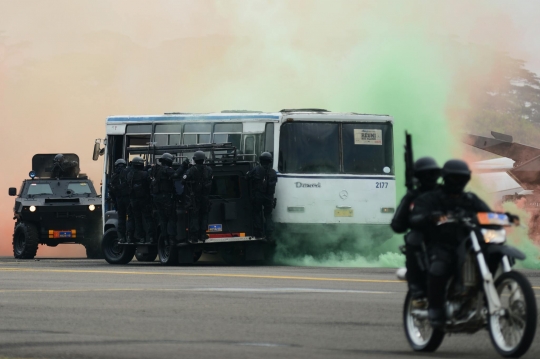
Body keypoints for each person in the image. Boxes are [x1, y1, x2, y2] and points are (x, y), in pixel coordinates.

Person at [409, 159, 491, 328]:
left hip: (468, 243)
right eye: (454, 178)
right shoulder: (430, 198)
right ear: (445, 178)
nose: (458, 182)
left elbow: (487, 215)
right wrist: (431, 217)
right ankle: (435, 310)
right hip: (441, 245)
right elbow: (415, 218)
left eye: (462, 178)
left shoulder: (470, 199)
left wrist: (505, 218)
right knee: (439, 266)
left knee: (494, 251)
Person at [391, 157, 440, 299]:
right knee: (414, 237)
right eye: (425, 175)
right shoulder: (413, 197)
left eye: (432, 174)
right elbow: (397, 225)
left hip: (448, 239)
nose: (429, 178)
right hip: (428, 244)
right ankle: (417, 288)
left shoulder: (447, 194)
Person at [152, 153, 189, 246]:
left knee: (163, 219)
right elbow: (176, 175)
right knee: (171, 218)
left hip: (157, 198)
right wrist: (183, 165)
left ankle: (165, 239)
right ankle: (172, 239)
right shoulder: (166, 170)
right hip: (166, 198)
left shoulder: (155, 170)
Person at [183, 151, 213, 243]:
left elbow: (184, 179)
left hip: (195, 197)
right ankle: (203, 235)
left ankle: (194, 237)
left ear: (195, 159)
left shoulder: (192, 170)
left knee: (194, 217)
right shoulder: (209, 169)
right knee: (204, 215)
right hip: (205, 197)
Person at [246, 152, 278, 239]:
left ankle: (258, 233)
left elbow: (247, 177)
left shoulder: (256, 169)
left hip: (258, 196)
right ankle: (269, 234)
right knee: (268, 215)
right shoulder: (273, 173)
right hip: (269, 198)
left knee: (257, 213)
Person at [127, 156, 154, 244]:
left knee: (137, 220)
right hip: (144, 200)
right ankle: (151, 237)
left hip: (133, 201)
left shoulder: (129, 175)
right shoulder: (145, 174)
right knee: (148, 218)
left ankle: (141, 238)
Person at [108, 159, 131, 243]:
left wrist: (115, 202)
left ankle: (121, 237)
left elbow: (111, 191)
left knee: (121, 219)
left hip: (119, 200)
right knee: (130, 218)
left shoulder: (114, 176)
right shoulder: (128, 173)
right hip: (128, 199)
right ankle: (130, 236)